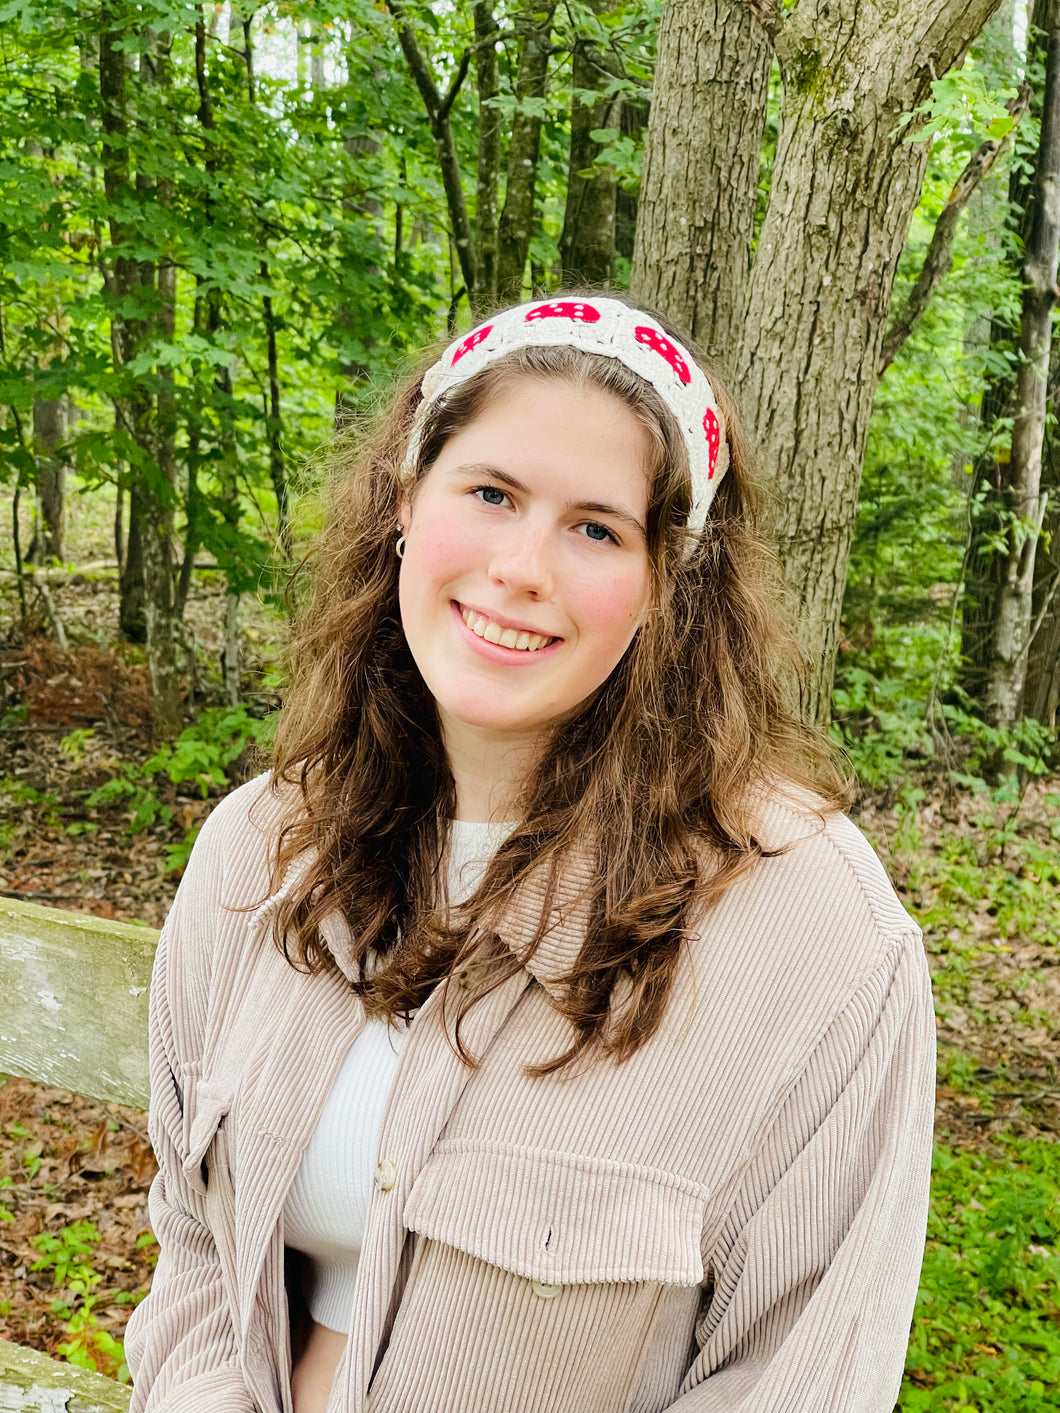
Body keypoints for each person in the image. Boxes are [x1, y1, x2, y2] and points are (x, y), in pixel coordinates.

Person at [124, 294, 936, 1413]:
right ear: (406, 502)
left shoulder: (813, 938)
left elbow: (798, 1377)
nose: (520, 569)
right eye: (492, 493)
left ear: (666, 583)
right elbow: (195, 1243)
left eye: (595, 527)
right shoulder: (262, 852)